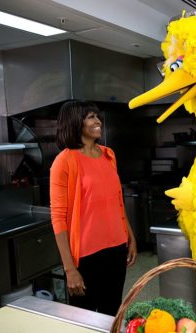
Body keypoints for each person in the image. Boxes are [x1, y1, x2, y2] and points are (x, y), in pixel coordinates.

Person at [50, 100, 137, 316]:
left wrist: (130, 235)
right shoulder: (64, 162)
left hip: (116, 247)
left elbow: (116, 200)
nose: (98, 121)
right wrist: (69, 269)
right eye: (90, 117)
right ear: (75, 122)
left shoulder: (109, 155)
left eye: (97, 116)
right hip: (86, 256)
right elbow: (58, 218)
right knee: (84, 318)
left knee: (111, 313)